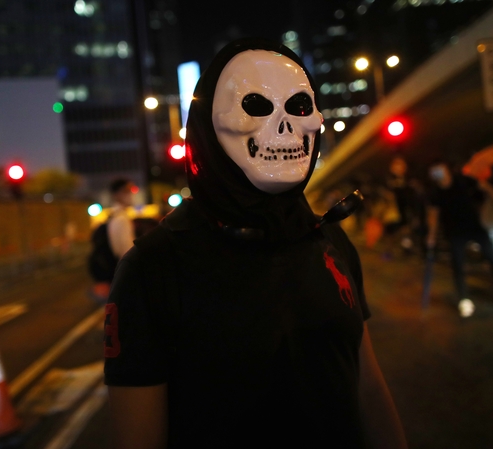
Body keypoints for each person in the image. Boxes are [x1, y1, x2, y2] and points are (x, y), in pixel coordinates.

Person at [104, 38, 407, 449]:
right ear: (208, 128)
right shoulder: (154, 266)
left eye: (300, 107)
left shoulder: (328, 238)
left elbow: (367, 386)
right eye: (257, 108)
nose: (284, 127)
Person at [425, 158, 493, 317]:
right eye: (434, 170)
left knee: (492, 259)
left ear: (446, 168)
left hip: (474, 227)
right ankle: (464, 299)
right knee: (458, 265)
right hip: (454, 232)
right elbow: (433, 214)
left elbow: (482, 188)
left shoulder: (462, 180)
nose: (438, 172)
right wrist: (431, 235)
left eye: (440, 168)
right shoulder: (435, 192)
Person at [88, 178, 137, 301]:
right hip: (122, 276)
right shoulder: (121, 219)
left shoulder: (112, 216)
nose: (130, 195)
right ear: (117, 194)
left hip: (115, 275)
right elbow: (127, 252)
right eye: (127, 191)